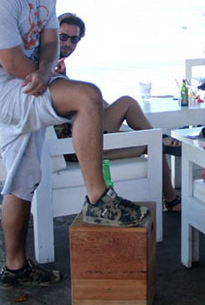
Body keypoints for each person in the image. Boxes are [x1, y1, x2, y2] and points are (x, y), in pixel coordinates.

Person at [0, 0, 149, 287]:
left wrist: (46, 68)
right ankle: (99, 198)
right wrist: (39, 74)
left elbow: (50, 40)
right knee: (87, 97)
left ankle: (15, 267)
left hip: (31, 80)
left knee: (22, 179)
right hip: (2, 90)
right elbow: (9, 62)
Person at [55, 12, 182, 212]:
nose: (68, 43)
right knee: (153, 145)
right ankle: (172, 200)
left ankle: (158, 137)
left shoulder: (56, 66)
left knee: (126, 102)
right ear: (52, 35)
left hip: (79, 131)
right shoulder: (48, 69)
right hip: (76, 146)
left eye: (74, 39)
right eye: (63, 37)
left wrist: (103, 107)